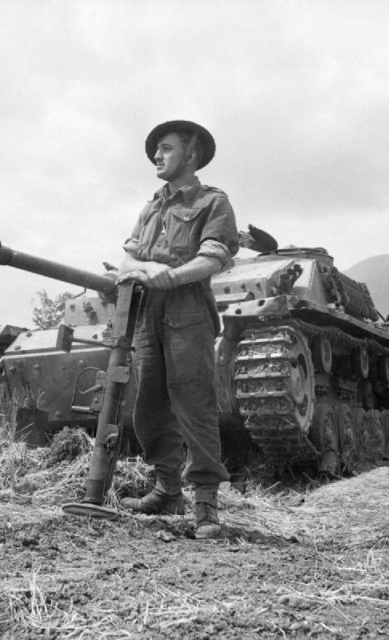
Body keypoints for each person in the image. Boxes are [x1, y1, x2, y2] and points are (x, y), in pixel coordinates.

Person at [117, 120, 239, 539]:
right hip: (147, 309)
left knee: (195, 404)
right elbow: (127, 262)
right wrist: (149, 268)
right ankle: (167, 490)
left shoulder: (212, 201)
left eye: (166, 148)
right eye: (157, 150)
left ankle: (205, 505)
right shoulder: (151, 206)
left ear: (191, 153)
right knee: (148, 404)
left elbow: (214, 258)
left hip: (187, 309)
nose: (157, 155)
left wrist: (172, 275)